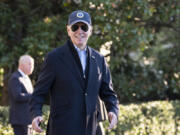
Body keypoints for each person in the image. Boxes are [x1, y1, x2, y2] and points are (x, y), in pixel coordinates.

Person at [29, 10, 119, 135]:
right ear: (68, 30)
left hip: (90, 130)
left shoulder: (99, 59)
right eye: (75, 27)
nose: (79, 31)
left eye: (84, 27)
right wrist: (35, 114)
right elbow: (39, 92)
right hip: (62, 130)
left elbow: (108, 93)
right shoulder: (54, 58)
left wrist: (113, 110)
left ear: (90, 30)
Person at [8, 55, 34, 135]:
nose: (32, 66)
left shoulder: (26, 78)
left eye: (32, 64)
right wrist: (34, 96)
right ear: (21, 65)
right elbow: (18, 96)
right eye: (29, 64)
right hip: (20, 120)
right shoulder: (15, 78)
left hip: (28, 120)